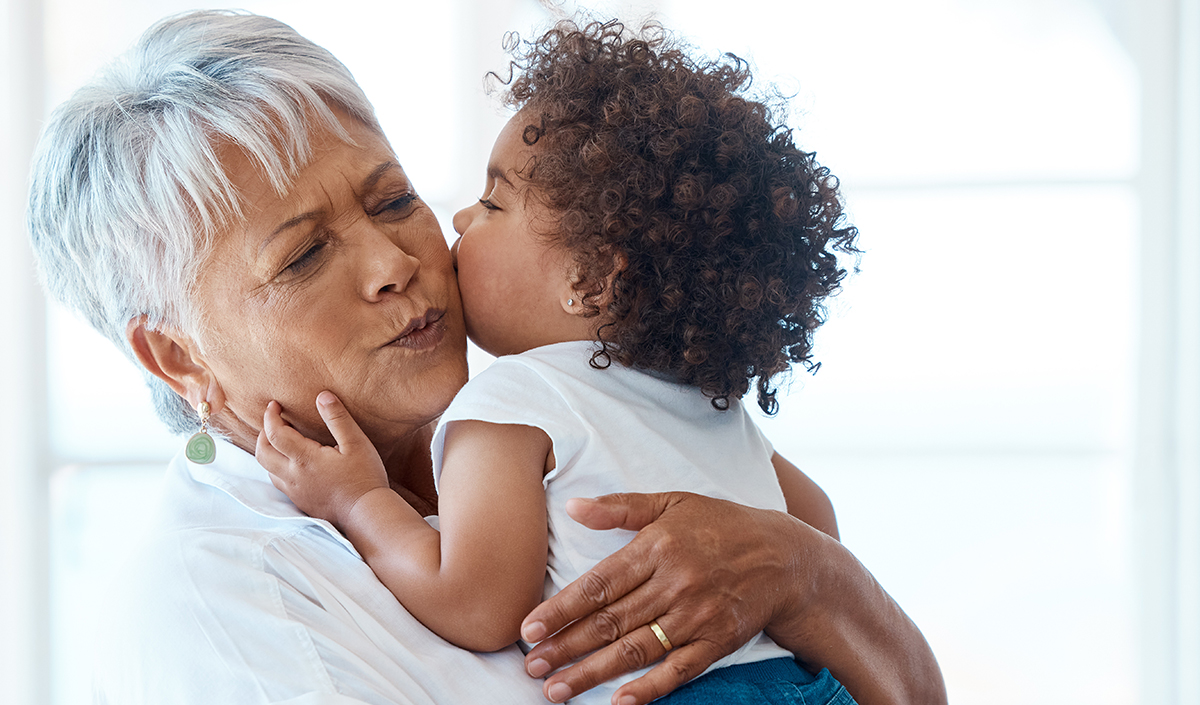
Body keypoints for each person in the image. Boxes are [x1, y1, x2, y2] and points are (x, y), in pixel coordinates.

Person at [25, 9, 946, 705]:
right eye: (303, 255)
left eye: (393, 202)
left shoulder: (563, 409)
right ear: (177, 355)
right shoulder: (230, 597)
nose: (397, 264)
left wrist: (804, 570)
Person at [258, 19, 860, 705]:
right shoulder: (704, 401)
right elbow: (815, 520)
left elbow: (477, 604)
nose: (458, 223)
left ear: (592, 279)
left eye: (492, 203)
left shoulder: (514, 399)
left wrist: (360, 500)